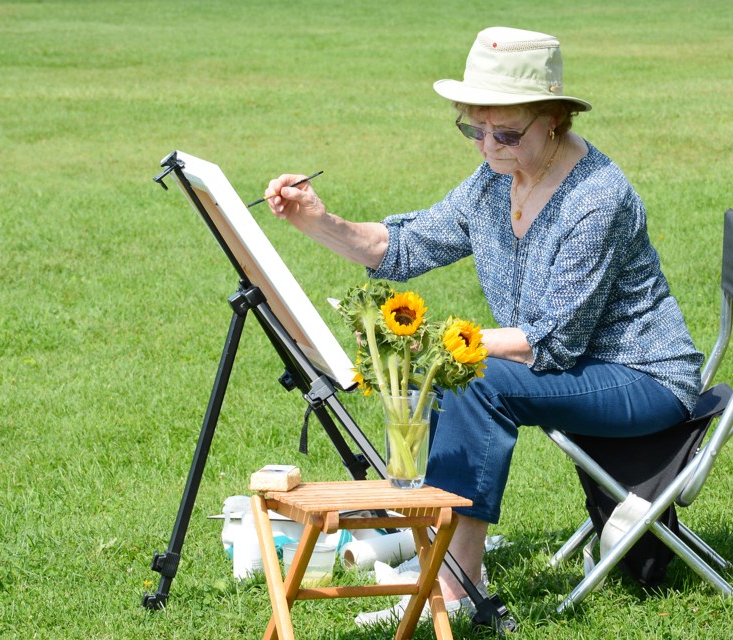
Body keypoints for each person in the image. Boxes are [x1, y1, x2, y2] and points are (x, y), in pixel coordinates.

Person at [263, 26, 704, 624]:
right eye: (474, 129)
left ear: (554, 119)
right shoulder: (498, 177)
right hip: (577, 368)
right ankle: (447, 567)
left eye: (506, 133)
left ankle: (452, 582)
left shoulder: (597, 197)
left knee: (476, 377)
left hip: (643, 377)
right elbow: (406, 244)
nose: (488, 146)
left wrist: (430, 346)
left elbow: (553, 342)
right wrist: (316, 220)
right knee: (469, 371)